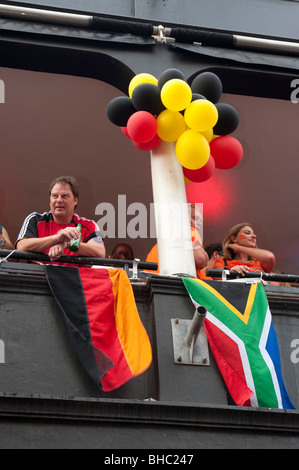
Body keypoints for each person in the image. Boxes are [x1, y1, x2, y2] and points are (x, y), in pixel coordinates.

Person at [16, 176, 105, 262]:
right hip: (39, 276)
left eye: (64, 196)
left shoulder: (90, 225)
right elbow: (21, 246)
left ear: (75, 200)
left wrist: (67, 244)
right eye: (55, 196)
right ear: (50, 200)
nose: (59, 200)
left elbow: (100, 252)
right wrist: (57, 238)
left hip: (74, 277)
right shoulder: (34, 219)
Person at [146, 203, 208, 274]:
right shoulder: (190, 230)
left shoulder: (155, 248)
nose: (200, 223)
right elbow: (201, 259)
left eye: (201, 220)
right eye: (195, 218)